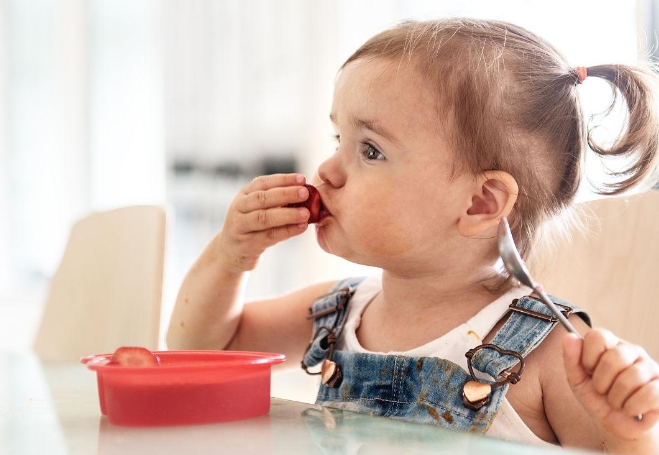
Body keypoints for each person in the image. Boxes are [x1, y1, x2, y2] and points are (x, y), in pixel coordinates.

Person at [167, 18, 659, 453]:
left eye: (372, 151)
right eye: (340, 140)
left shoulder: (550, 352)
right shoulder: (337, 312)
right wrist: (229, 257)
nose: (327, 170)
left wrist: (629, 434)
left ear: (480, 204)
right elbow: (203, 355)